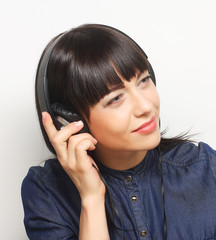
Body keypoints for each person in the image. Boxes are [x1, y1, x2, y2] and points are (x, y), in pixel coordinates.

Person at [21, 24, 216, 240]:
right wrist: (92, 199)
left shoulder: (205, 168)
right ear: (70, 121)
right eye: (115, 99)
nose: (145, 107)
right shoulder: (46, 192)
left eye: (143, 80)